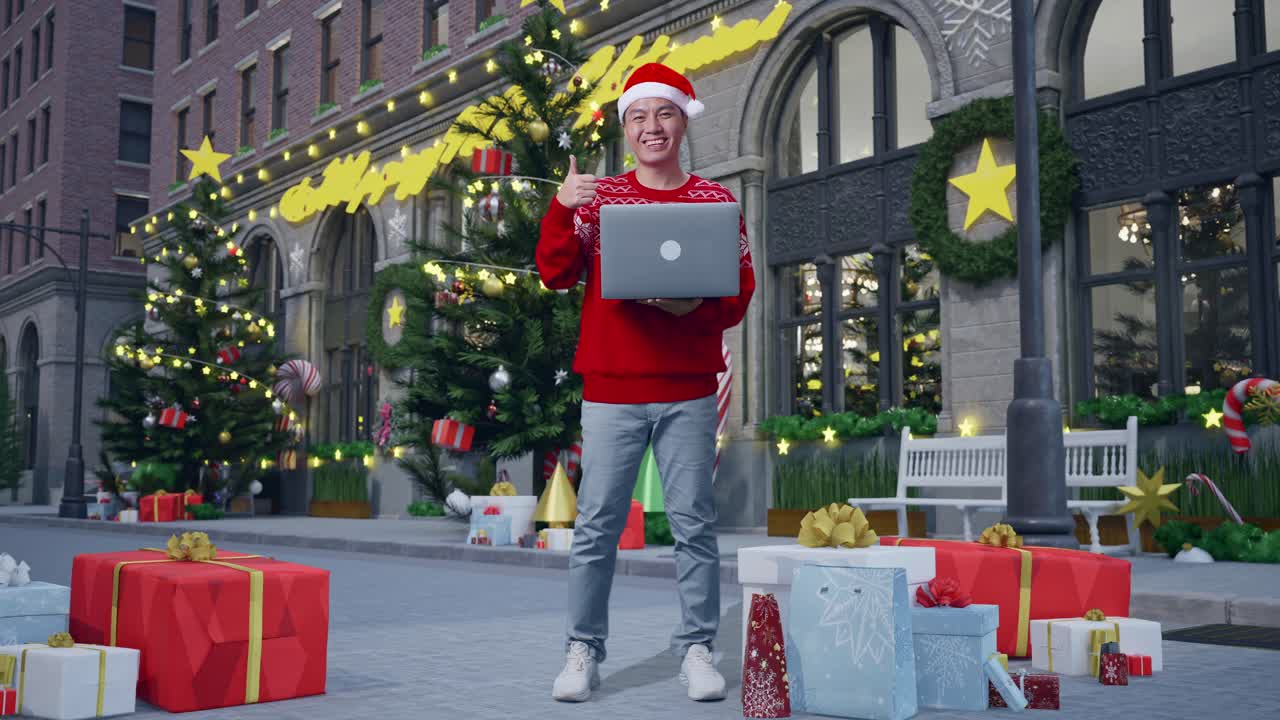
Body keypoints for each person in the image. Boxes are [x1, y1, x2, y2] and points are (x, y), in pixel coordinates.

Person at [536, 62, 755, 703]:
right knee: (599, 525)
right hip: (611, 386)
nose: (651, 127)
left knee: (694, 524)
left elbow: (738, 292)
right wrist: (559, 206)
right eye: (639, 117)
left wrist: (692, 309)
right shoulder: (598, 199)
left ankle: (696, 649)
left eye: (663, 114)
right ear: (626, 128)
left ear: (682, 121)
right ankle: (583, 651)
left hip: (687, 384)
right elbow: (554, 273)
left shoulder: (716, 202)